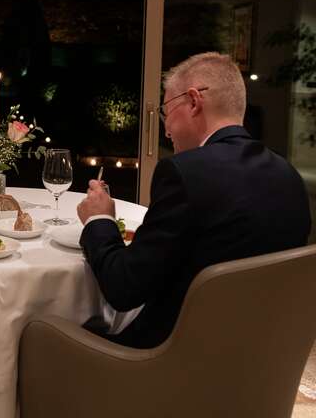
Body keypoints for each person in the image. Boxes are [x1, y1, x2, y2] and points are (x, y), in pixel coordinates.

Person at [77, 52, 311, 349]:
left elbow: (124, 289)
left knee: (38, 331)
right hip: (257, 362)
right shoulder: (289, 176)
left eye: (166, 110)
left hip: (168, 367)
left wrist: (100, 219)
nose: (165, 129)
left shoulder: (185, 173)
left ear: (193, 101)